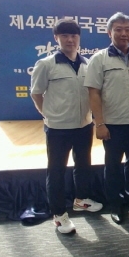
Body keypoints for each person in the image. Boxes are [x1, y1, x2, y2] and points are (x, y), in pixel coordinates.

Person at [30, 18, 102, 234]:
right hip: (58, 129)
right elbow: (36, 93)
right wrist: (48, 114)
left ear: (79, 38)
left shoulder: (87, 64)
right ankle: (59, 215)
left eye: (74, 36)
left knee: (83, 166)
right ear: (56, 38)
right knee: (56, 171)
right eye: (65, 36)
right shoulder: (46, 64)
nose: (70, 40)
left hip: (84, 125)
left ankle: (81, 200)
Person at [84, 12, 129, 225]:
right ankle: (115, 204)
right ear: (109, 32)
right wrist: (99, 123)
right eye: (119, 30)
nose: (124, 34)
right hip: (112, 124)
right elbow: (93, 93)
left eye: (127, 30)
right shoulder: (99, 59)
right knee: (113, 166)